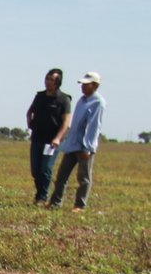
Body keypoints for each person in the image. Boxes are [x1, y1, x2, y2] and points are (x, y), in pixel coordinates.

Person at [48, 71, 105, 211]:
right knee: (61, 176)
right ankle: (55, 202)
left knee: (83, 178)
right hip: (72, 144)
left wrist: (87, 147)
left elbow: (93, 126)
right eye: (82, 84)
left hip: (84, 146)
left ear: (95, 85)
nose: (83, 87)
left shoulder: (98, 102)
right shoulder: (81, 100)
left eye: (87, 84)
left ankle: (80, 205)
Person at [25, 68, 71, 204]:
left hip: (51, 142)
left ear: (58, 82)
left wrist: (58, 138)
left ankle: (42, 197)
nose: (48, 82)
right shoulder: (39, 96)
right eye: (47, 78)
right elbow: (29, 112)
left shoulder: (64, 99)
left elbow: (66, 122)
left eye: (51, 79)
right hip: (37, 138)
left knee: (45, 168)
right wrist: (30, 123)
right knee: (35, 170)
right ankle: (39, 194)